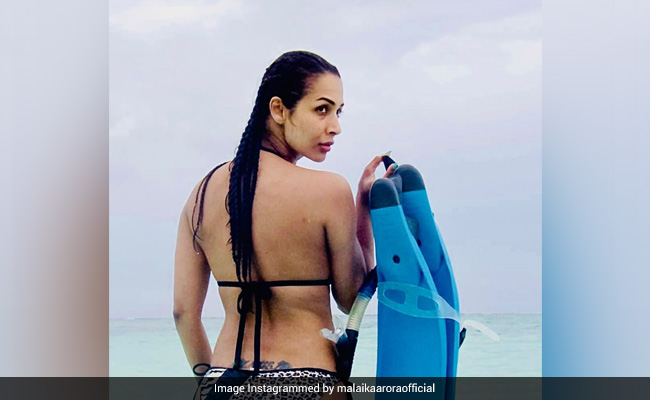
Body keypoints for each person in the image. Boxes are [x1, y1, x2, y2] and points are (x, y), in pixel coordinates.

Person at [173, 51, 396, 398]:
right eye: (322, 109)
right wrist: (363, 211)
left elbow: (183, 313)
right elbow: (352, 299)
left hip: (222, 381)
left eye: (338, 111)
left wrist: (207, 383)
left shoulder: (200, 196)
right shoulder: (328, 191)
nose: (335, 126)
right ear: (278, 109)